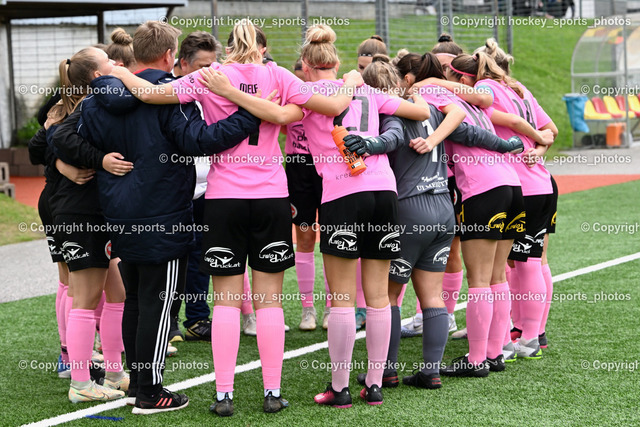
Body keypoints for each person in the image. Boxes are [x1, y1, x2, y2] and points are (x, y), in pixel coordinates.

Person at [111, 19, 364, 416]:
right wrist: (351, 80)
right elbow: (333, 107)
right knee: (270, 303)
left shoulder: (212, 75)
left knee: (227, 303)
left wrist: (117, 70)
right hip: (271, 198)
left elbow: (150, 93)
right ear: (262, 48)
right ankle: (272, 392)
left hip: (224, 198)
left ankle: (223, 395)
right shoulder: (278, 75)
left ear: (227, 48)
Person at [56, 21, 262, 415]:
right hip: (164, 214)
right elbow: (199, 140)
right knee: (159, 303)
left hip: (120, 213)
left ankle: (138, 384)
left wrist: (98, 159)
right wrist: (250, 115)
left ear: (135, 53)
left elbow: (58, 137)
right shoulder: (172, 95)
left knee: (136, 299)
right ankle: (151, 391)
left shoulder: (99, 98)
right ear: (169, 56)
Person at [347, 54, 524, 389]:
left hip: (411, 211)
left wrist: (368, 144)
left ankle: (385, 371)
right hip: (443, 208)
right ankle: (431, 371)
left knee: (388, 296)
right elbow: (469, 130)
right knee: (432, 296)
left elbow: (392, 138)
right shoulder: (431, 107)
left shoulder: (391, 112)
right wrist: (505, 145)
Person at [284, 24, 429, 407]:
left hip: (343, 195)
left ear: (306, 65)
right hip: (384, 193)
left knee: (342, 299)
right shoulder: (366, 90)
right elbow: (421, 111)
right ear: (336, 62)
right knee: (378, 297)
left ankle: (340, 388)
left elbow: (277, 115)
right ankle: (375, 384)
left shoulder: (307, 94)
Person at [47, 49, 135, 403]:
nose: (117, 64)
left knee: (118, 294)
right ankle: (81, 383)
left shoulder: (104, 102)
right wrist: (100, 160)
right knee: (84, 299)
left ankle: (114, 373)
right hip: (78, 215)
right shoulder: (88, 105)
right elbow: (54, 139)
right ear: (98, 76)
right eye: (109, 62)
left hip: (98, 214)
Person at [475, 38, 558, 349]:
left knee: (525, 263)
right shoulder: (519, 88)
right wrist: (538, 147)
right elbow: (552, 130)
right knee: (530, 260)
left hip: (522, 185)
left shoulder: (486, 88)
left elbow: (509, 120)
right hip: (540, 182)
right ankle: (531, 331)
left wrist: (534, 140)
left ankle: (530, 337)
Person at [168, 30, 223, 343]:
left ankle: (198, 318)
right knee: (173, 256)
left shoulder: (215, 90)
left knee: (202, 254)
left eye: (214, 65)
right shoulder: (166, 92)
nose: (211, 72)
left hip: (207, 187)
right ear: (183, 64)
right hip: (174, 189)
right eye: (204, 66)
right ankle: (169, 321)